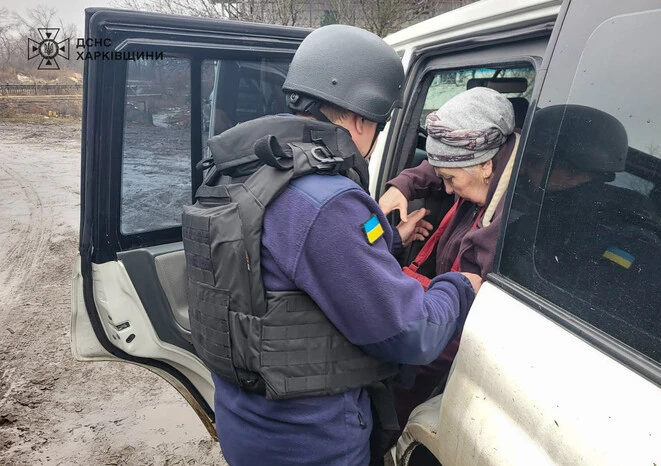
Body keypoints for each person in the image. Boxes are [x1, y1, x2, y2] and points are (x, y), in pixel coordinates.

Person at [186, 25, 481, 466]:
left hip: (246, 423)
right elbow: (411, 332)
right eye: (380, 126)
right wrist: (459, 286)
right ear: (363, 119)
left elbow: (282, 268)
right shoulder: (326, 200)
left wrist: (387, 242)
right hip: (312, 441)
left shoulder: (241, 171)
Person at [378, 87, 520, 430]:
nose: (446, 189)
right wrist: (405, 184)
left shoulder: (510, 214)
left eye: (450, 180)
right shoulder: (493, 169)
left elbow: (464, 300)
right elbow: (445, 161)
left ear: (486, 165)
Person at [505, 104, 661, 360]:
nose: (522, 170)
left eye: (534, 160)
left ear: (572, 167)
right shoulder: (561, 214)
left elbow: (591, 333)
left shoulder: (633, 242)